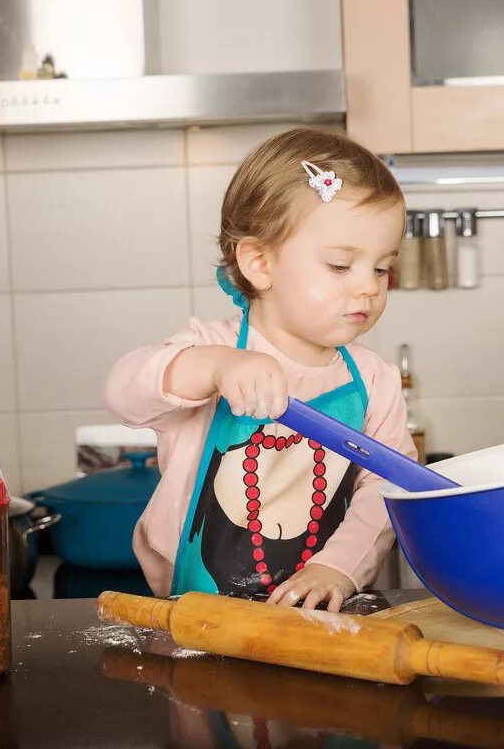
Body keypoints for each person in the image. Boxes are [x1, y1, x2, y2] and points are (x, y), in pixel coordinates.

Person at [105, 127, 415, 612]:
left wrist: (339, 567)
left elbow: (389, 485)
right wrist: (212, 368)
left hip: (317, 616)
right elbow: (123, 391)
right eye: (340, 266)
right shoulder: (214, 348)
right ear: (259, 263)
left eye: (380, 268)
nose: (369, 288)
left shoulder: (374, 380)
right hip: (195, 616)